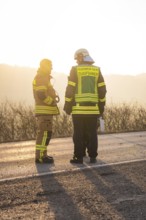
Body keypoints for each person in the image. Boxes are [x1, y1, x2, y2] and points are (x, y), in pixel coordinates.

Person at [64, 48, 107, 164]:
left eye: (77, 59)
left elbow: (70, 90)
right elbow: (102, 90)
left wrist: (67, 104)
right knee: (92, 133)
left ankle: (79, 157)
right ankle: (93, 157)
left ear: (81, 57)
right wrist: (101, 105)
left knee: (78, 133)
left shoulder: (75, 70)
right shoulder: (97, 70)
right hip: (93, 109)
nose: (76, 61)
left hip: (78, 109)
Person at [33, 58, 60, 163]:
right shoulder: (41, 77)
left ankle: (43, 155)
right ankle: (40, 157)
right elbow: (41, 94)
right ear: (45, 66)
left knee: (45, 135)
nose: (52, 68)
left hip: (46, 112)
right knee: (44, 134)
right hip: (44, 112)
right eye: (50, 65)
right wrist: (52, 102)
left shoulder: (43, 77)